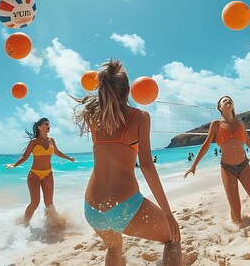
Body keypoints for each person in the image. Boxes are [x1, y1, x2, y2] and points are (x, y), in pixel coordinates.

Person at [73, 60, 181, 265]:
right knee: (173, 238)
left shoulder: (93, 117)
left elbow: (103, 105)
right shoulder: (140, 117)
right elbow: (147, 165)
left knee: (114, 248)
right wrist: (167, 212)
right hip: (123, 207)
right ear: (128, 90)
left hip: (92, 209)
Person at [184, 96, 250, 224]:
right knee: (236, 211)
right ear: (220, 108)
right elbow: (206, 144)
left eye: (229, 99)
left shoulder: (240, 123)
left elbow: (248, 141)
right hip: (227, 169)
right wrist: (194, 165)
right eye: (224, 100)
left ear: (233, 105)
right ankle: (237, 230)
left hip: (244, 166)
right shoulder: (216, 124)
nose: (227, 101)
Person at [6, 118, 75, 225]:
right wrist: (14, 164)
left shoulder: (51, 140)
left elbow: (57, 152)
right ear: (39, 127)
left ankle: (52, 225)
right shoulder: (34, 142)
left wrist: (68, 158)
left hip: (48, 173)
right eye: (46, 124)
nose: (48, 126)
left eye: (49, 124)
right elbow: (24, 157)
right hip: (34, 174)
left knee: (49, 203)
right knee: (35, 203)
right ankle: (24, 225)